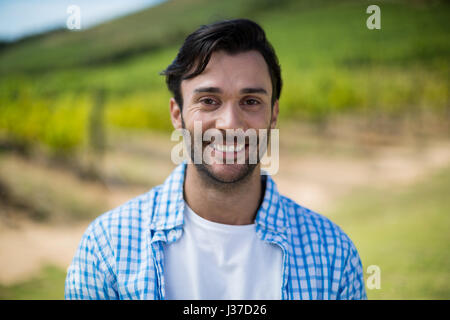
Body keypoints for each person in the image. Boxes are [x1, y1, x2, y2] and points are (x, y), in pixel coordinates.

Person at [65, 18, 366, 300]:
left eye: (251, 102)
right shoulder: (107, 249)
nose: (230, 123)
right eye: (209, 101)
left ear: (273, 115)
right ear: (177, 115)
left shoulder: (333, 256)